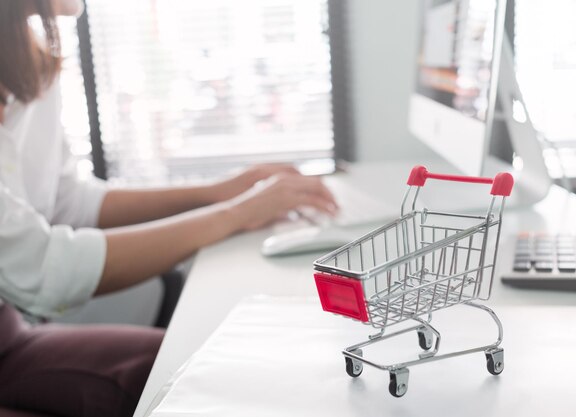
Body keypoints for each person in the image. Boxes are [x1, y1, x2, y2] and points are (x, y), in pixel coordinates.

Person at [0, 1, 338, 416]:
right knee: (196, 372)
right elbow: (42, 269)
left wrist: (218, 193)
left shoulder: (27, 60)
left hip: (15, 329)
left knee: (212, 356)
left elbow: (70, 202)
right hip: (9, 341)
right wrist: (235, 214)